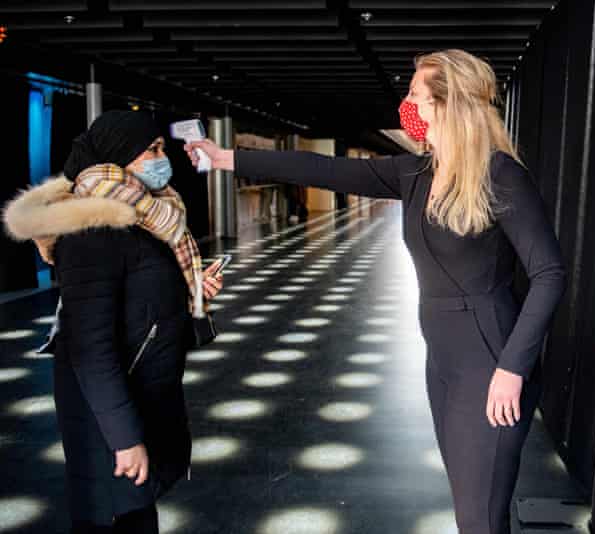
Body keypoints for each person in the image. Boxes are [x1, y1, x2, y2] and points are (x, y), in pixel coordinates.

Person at [186, 49, 566, 534]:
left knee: (480, 518)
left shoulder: (500, 175)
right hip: (443, 362)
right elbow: (318, 169)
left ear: (446, 104)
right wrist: (226, 158)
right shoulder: (416, 174)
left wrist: (513, 367)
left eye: (414, 94)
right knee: (475, 508)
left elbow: (550, 273)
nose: (405, 103)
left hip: (489, 359)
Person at [3, 111, 224, 533]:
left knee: (137, 515)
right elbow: (89, 349)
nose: (164, 158)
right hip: (107, 420)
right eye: (153, 150)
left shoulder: (147, 217)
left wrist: (188, 291)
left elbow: (138, 299)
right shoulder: (93, 231)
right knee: (114, 516)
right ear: (120, 157)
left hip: (141, 398)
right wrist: (124, 440)